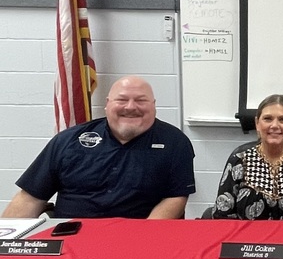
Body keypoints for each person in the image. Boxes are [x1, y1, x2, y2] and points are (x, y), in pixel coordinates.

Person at [2, 76, 195, 219]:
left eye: (141, 100)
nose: (130, 107)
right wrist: (6, 241)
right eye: (121, 100)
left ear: (154, 106)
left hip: (137, 239)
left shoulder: (174, 143)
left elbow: (175, 198)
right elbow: (30, 198)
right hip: (70, 239)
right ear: (107, 104)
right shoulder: (68, 140)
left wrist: (144, 237)